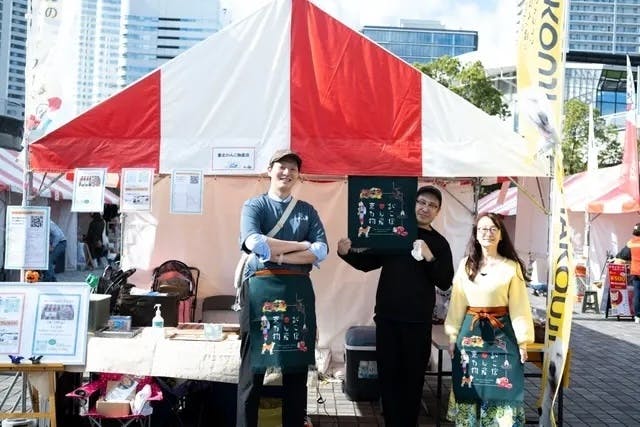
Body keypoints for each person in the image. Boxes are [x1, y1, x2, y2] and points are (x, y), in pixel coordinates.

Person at [337, 185, 454, 427]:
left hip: (418, 322)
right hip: (388, 318)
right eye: (422, 202)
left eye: (432, 205)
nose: (426, 208)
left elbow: (444, 281)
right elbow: (368, 262)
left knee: (413, 380)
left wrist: (429, 256)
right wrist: (346, 253)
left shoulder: (439, 243)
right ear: (413, 204)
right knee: (388, 379)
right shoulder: (396, 233)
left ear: (438, 211)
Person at [236, 149, 328, 427]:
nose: (287, 173)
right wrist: (301, 246)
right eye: (281, 166)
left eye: (293, 169)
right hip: (259, 289)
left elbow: (321, 251)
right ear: (269, 170)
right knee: (252, 369)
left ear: (298, 176)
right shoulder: (255, 205)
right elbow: (254, 242)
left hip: (297, 291)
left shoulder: (307, 211)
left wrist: (276, 254)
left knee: (296, 365)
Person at [444, 212, 534, 426]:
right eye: (483, 229)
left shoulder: (512, 266)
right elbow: (457, 302)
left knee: (502, 384)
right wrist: (452, 335)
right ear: (476, 234)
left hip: (501, 331)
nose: (488, 233)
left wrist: (523, 342)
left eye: (494, 229)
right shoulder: (466, 264)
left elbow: (520, 306)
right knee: (469, 385)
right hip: (470, 331)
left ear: (501, 235)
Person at [613, 222, 640, 324]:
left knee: (637, 294)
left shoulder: (631, 242)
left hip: (636, 271)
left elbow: (621, 256)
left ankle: (637, 316)